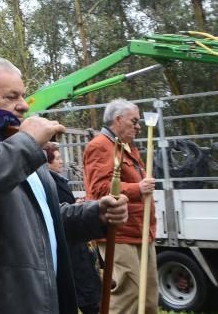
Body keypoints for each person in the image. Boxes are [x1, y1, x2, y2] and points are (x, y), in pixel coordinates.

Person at [0, 57, 129, 314]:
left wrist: (94, 215)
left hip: (42, 301)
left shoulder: (25, 151)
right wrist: (28, 143)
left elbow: (43, 222)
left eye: (24, 96)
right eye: (11, 97)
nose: (23, 106)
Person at [83, 98, 157, 314]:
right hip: (119, 233)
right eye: (134, 121)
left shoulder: (128, 147)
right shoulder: (100, 146)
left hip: (141, 231)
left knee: (149, 297)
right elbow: (99, 190)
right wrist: (138, 188)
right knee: (129, 295)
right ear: (118, 119)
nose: (138, 126)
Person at [45, 142, 101, 314]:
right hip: (72, 250)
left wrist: (75, 207)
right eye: (58, 158)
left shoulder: (57, 180)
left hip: (76, 249)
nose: (62, 162)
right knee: (86, 295)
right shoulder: (50, 183)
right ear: (47, 162)